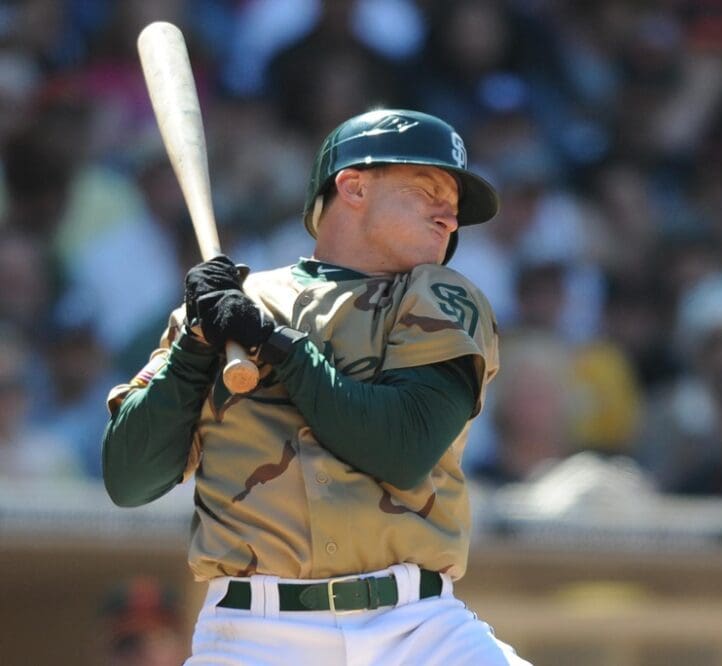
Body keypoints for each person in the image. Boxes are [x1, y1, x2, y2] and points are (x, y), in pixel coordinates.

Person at [101, 109, 528, 665]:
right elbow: (130, 478)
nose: (450, 215)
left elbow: (402, 447)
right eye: (428, 190)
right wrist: (195, 346)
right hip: (254, 633)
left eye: (453, 204)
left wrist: (275, 345)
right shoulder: (226, 308)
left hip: (415, 631)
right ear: (352, 186)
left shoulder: (440, 296)